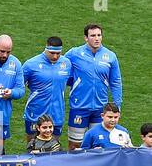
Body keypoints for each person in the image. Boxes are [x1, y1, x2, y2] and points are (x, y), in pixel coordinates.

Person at [66, 23, 122, 151]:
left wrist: (117, 106)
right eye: (93, 36)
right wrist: (73, 82)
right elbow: (62, 69)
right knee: (75, 146)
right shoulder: (74, 53)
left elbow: (116, 82)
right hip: (79, 107)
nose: (96, 38)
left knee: (98, 145)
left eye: (99, 35)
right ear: (86, 38)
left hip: (100, 108)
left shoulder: (110, 56)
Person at [22, 37, 71, 140]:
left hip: (57, 115)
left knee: (53, 149)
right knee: (32, 149)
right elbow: (18, 85)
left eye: (58, 53)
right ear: (46, 48)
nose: (55, 56)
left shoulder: (66, 64)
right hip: (35, 114)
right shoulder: (31, 64)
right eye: (52, 53)